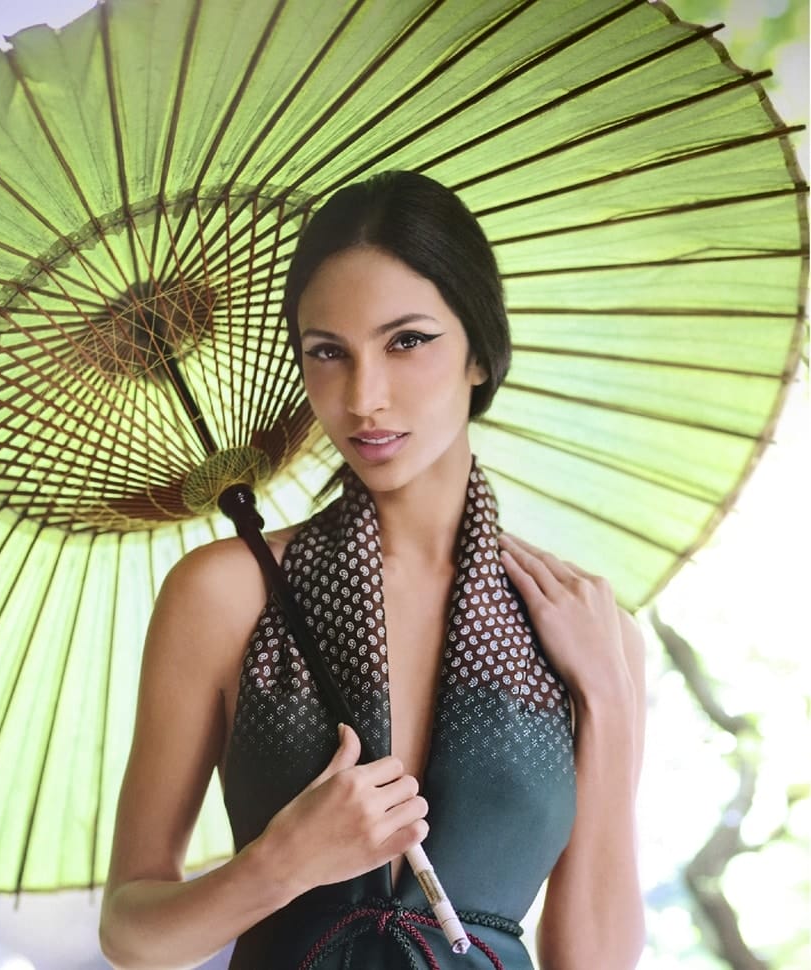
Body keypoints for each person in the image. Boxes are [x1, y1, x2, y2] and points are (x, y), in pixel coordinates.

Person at [99, 171, 646, 969]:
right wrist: (281, 863)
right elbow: (131, 934)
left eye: (407, 341)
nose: (364, 398)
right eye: (328, 352)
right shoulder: (227, 593)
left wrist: (610, 699)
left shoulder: (589, 631)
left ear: (480, 353)